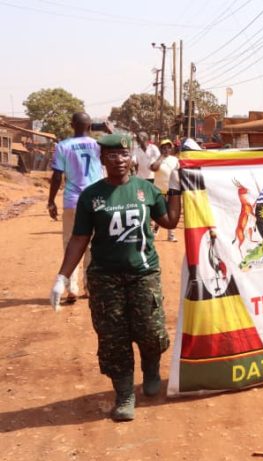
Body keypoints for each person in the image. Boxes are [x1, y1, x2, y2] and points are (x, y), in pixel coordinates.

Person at [49, 133, 181, 421]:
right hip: (105, 277)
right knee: (113, 338)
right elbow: (79, 238)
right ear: (102, 159)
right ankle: (124, 395)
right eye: (111, 155)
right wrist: (63, 276)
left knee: (151, 330)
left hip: (143, 273)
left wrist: (175, 189)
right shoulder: (91, 196)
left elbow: (170, 221)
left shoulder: (145, 190)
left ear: (130, 158)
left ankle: (150, 369)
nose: (118, 160)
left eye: (123, 154)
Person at [47, 112, 103, 304]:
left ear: (72, 125)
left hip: (72, 201)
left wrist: (51, 200)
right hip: (96, 200)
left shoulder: (63, 146)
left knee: (70, 243)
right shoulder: (98, 145)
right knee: (93, 244)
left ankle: (72, 288)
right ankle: (90, 287)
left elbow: (57, 176)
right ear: (90, 126)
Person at [150, 139, 180, 242]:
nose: (166, 149)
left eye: (168, 147)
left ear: (171, 149)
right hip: (158, 191)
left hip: (171, 191)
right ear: (161, 149)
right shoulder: (156, 159)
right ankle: (154, 231)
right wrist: (161, 157)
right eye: (164, 148)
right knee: (159, 213)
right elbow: (154, 168)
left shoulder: (175, 160)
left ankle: (171, 235)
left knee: (171, 213)